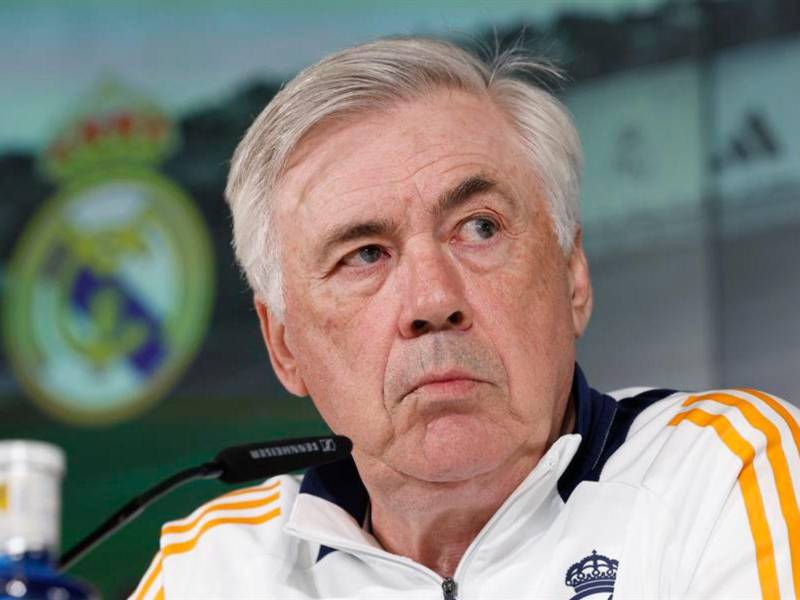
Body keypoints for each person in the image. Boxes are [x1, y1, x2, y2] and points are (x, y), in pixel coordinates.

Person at [130, 37, 800, 600]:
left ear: (572, 274)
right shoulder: (212, 568)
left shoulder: (722, 469)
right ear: (284, 346)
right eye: (365, 255)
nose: (431, 301)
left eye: (479, 227)